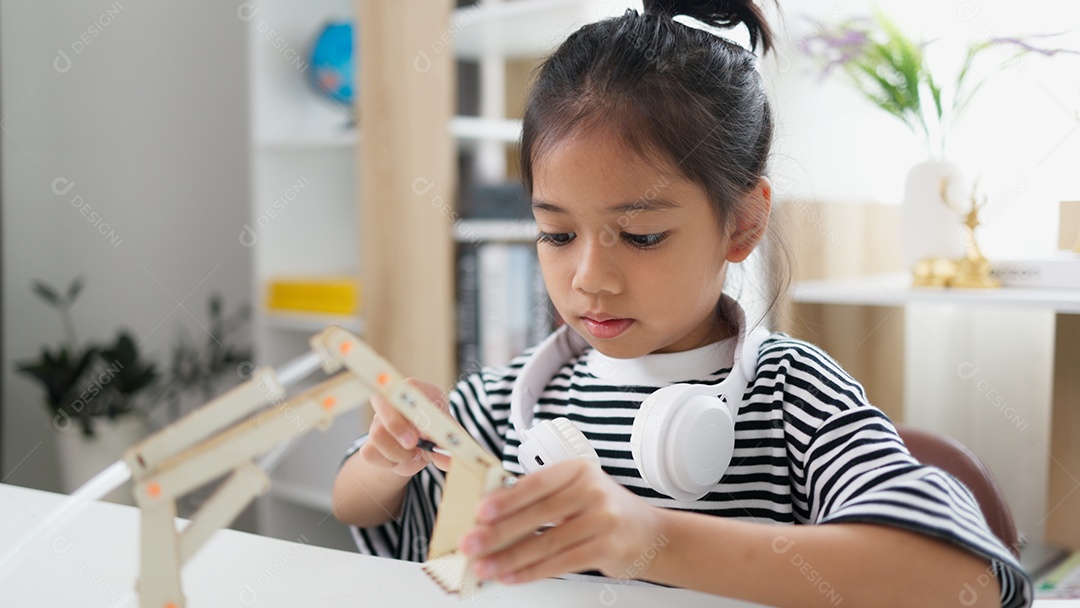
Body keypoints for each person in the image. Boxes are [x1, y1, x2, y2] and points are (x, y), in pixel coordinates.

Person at [332, 1, 1032, 606]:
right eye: (556, 233)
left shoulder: (795, 398)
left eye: (641, 235)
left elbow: (961, 581)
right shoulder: (508, 402)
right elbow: (363, 511)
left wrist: (651, 538)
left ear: (742, 224)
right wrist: (382, 464)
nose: (590, 278)